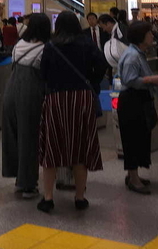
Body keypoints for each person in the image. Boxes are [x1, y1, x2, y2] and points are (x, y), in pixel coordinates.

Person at [36, 12, 108, 213]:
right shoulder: (86, 43)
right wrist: (91, 82)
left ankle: (48, 197)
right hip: (82, 98)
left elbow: (43, 73)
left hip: (56, 99)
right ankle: (80, 197)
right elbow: (102, 65)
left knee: (52, 145)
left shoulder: (50, 46)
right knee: (80, 146)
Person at [2, 13, 51, 199]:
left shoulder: (18, 45)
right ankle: (28, 184)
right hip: (30, 94)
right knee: (29, 138)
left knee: (13, 136)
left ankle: (18, 178)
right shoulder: (44, 49)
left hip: (11, 91)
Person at [117, 21, 158, 195]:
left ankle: (132, 175)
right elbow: (130, 79)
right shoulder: (132, 56)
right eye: (149, 34)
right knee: (133, 140)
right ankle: (134, 179)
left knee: (138, 138)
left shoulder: (137, 53)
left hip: (137, 100)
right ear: (141, 37)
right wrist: (151, 80)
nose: (152, 36)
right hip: (132, 101)